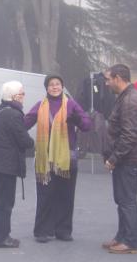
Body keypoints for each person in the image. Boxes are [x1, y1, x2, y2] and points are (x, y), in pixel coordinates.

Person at [24, 75, 91, 243]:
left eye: (58, 84)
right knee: (45, 195)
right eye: (51, 85)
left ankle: (63, 231)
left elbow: (86, 125)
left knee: (66, 195)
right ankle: (42, 231)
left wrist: (77, 119)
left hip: (66, 158)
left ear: (62, 86)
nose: (55, 87)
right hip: (45, 158)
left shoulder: (71, 105)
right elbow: (24, 123)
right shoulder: (40, 106)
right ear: (46, 88)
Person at [0, 81, 34, 248]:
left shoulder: (2, 109)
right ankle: (0, 238)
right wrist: (34, 143)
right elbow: (24, 140)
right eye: (22, 94)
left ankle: (1, 235)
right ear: (15, 96)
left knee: (0, 201)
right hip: (4, 164)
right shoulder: (13, 114)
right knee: (5, 202)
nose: (24, 97)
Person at [102, 64, 137, 254]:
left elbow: (129, 136)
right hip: (126, 159)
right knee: (122, 199)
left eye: (108, 79)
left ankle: (131, 242)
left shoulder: (129, 100)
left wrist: (113, 158)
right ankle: (122, 237)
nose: (106, 83)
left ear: (118, 78)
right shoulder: (125, 97)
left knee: (127, 200)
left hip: (128, 159)